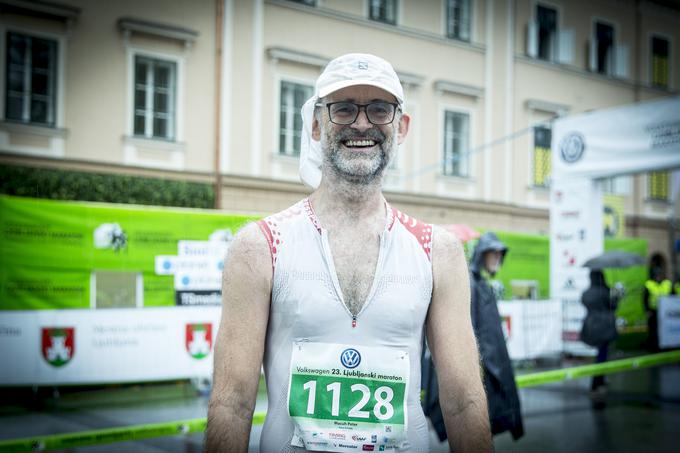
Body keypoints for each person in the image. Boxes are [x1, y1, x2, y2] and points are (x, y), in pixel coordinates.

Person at [205, 53, 491, 452]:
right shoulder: (259, 247)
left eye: (379, 109)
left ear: (401, 126)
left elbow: (463, 402)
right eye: (343, 109)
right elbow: (232, 403)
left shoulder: (436, 251)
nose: (361, 123)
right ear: (317, 124)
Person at [468, 232, 524, 440]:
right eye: (493, 255)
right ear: (482, 254)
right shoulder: (471, 284)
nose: (497, 260)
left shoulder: (480, 282)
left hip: (492, 365)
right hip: (484, 370)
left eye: (500, 256)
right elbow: (470, 331)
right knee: (475, 433)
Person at [579, 270, 618, 408]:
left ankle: (600, 381)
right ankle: (596, 384)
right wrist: (616, 296)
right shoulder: (605, 292)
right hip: (605, 326)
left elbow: (584, 302)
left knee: (601, 354)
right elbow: (613, 307)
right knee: (602, 356)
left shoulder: (587, 293)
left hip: (591, 326)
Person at [643, 265, 672, 351]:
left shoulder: (667, 284)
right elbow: (645, 299)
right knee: (654, 331)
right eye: (656, 275)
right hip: (653, 312)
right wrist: (647, 310)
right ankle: (654, 347)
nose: (658, 276)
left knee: (665, 329)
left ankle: (666, 346)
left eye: (659, 274)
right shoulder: (649, 284)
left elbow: (672, 296)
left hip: (666, 312)